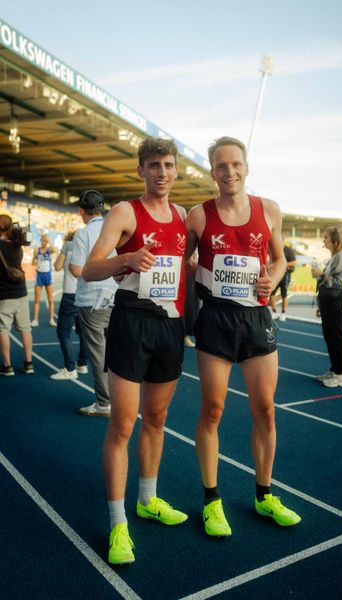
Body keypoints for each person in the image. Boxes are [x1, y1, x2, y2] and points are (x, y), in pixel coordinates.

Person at [185, 136, 301, 537]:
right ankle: (212, 500)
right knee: (213, 410)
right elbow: (182, 260)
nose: (229, 172)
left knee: (265, 409)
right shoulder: (198, 216)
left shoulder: (268, 209)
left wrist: (275, 275)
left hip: (256, 319)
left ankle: (265, 494)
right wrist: (197, 272)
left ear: (247, 167)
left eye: (236, 164)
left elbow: (280, 257)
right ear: (212, 171)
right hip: (216, 319)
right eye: (221, 165)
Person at [82, 137, 188, 565]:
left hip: (171, 325)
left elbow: (188, 264)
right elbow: (91, 268)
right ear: (140, 170)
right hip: (131, 322)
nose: (162, 172)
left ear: (176, 169)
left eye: (168, 164)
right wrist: (127, 259)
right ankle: (117, 523)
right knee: (122, 426)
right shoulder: (126, 212)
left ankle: (148, 498)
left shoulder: (183, 215)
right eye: (153, 165)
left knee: (157, 419)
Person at [69, 190, 117, 416]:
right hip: (115, 296)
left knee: (98, 353)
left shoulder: (83, 234)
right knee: (114, 350)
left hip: (91, 299)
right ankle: (118, 397)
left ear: (82, 211)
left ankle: (104, 402)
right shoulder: (115, 230)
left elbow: (77, 269)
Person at [312, 226, 342, 388]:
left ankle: (340, 375)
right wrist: (321, 305)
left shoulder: (341, 256)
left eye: (326, 237)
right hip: (330, 303)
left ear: (336, 241)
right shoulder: (335, 256)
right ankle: (334, 370)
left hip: (337, 302)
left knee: (337, 337)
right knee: (330, 336)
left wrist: (320, 275)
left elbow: (341, 282)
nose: (324, 240)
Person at [50, 231, 88, 380]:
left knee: (63, 331)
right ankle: (82, 364)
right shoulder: (90, 246)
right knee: (83, 332)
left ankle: (70, 368)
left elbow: (58, 266)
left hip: (70, 294)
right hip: (85, 293)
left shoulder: (68, 245)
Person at [0, 214, 34, 375]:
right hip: (21, 292)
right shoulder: (17, 245)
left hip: (4, 295)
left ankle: (7, 366)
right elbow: (26, 238)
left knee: (3, 330)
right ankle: (29, 363)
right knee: (25, 329)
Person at [31, 233, 57, 327]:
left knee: (50, 299)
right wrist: (35, 260)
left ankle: (51, 319)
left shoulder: (49, 250)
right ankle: (35, 319)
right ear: (41, 240)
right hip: (39, 276)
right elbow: (32, 262)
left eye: (47, 241)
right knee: (37, 299)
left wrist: (50, 242)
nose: (45, 242)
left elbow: (55, 250)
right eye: (44, 240)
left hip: (48, 276)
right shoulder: (36, 250)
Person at [269, 242, 296, 321]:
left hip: (285, 275)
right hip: (275, 274)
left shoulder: (288, 250)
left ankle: (283, 313)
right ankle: (274, 312)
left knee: (284, 294)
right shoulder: (274, 249)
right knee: (272, 292)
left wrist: (284, 264)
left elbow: (294, 262)